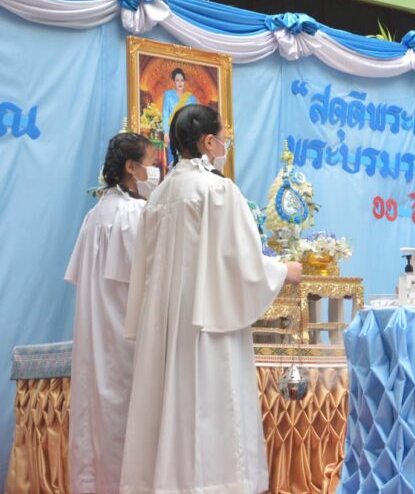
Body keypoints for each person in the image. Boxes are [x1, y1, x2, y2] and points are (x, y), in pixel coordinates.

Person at [120, 104, 303, 494]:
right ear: (207, 141)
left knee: (167, 409)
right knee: (210, 409)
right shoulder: (217, 190)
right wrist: (282, 272)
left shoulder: (160, 196)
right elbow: (240, 262)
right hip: (207, 321)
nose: (226, 143)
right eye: (223, 136)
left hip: (166, 324)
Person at [65, 132, 158, 494]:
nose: (155, 171)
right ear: (132, 167)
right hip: (126, 333)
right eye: (151, 164)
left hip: (94, 332)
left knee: (97, 414)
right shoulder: (134, 214)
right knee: (125, 414)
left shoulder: (96, 213)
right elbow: (152, 277)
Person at [161, 68, 197, 164]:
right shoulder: (168, 95)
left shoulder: (191, 98)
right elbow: (165, 114)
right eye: (177, 80)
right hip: (172, 131)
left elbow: (193, 118)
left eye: (182, 80)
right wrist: (165, 132)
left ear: (184, 82)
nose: (180, 83)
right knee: (173, 159)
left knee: (186, 159)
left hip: (186, 132)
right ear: (174, 82)